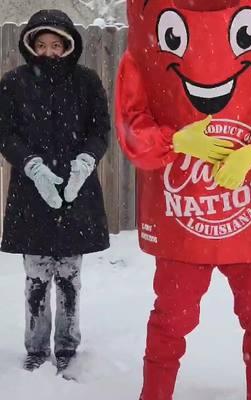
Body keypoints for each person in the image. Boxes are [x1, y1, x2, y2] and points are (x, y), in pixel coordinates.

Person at [116, 0, 251, 399]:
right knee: (170, 321)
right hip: (184, 213)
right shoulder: (143, 42)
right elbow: (132, 125)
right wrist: (176, 140)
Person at [0, 9, 110, 374]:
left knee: (69, 277)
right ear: (31, 45)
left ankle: (66, 346)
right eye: (42, 44)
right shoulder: (13, 83)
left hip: (76, 193)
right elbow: (6, 133)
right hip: (32, 194)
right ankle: (36, 348)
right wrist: (31, 165)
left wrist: (85, 161)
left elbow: (99, 130)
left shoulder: (87, 81)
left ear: (68, 46)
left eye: (56, 45)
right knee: (36, 276)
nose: (49, 51)